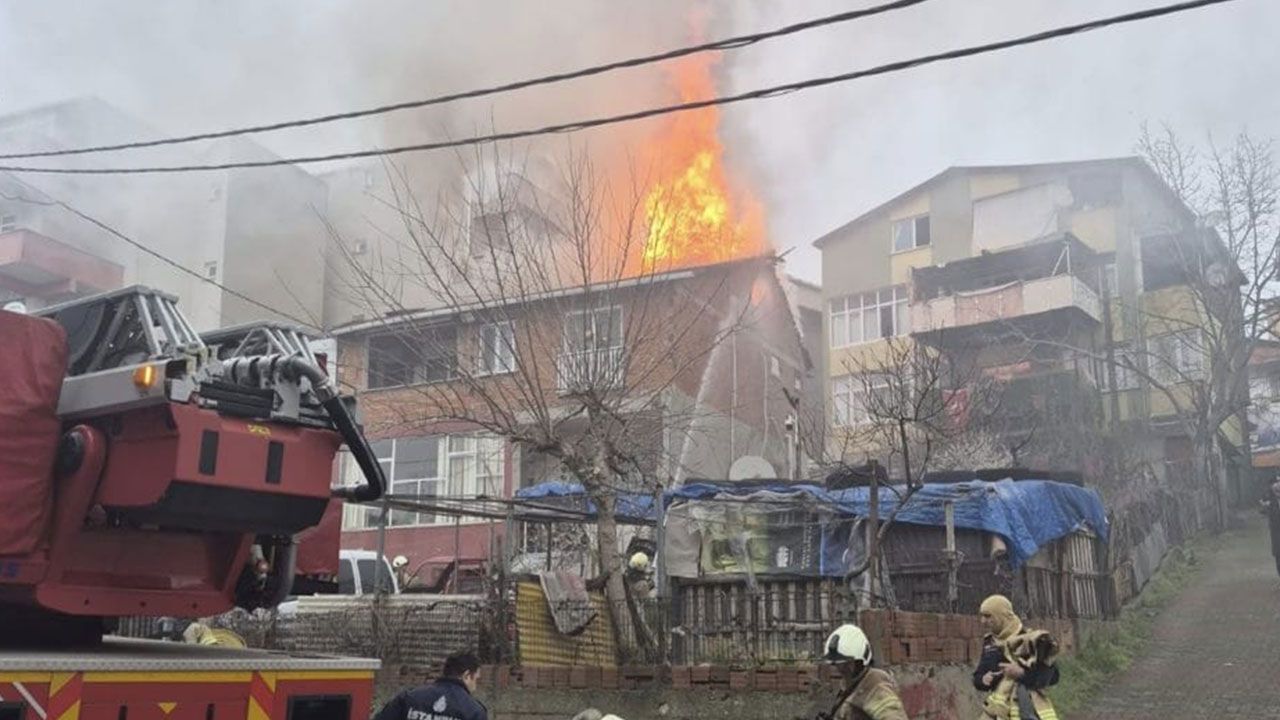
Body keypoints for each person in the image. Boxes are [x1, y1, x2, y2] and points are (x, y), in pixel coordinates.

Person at [973, 595, 1060, 720]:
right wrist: (982, 680)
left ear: (1001, 616)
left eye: (988, 616)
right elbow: (978, 676)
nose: (983, 621)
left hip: (1028, 710)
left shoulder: (1030, 638)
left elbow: (1052, 677)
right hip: (999, 711)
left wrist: (1021, 674)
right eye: (982, 616)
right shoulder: (989, 642)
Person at [818, 624, 908, 720]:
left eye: (846, 664)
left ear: (859, 662)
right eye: (836, 663)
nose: (840, 669)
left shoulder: (875, 685)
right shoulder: (852, 685)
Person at [374, 652, 488, 720]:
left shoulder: (409, 697)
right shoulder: (474, 711)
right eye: (476, 679)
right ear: (467, 675)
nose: (475, 686)